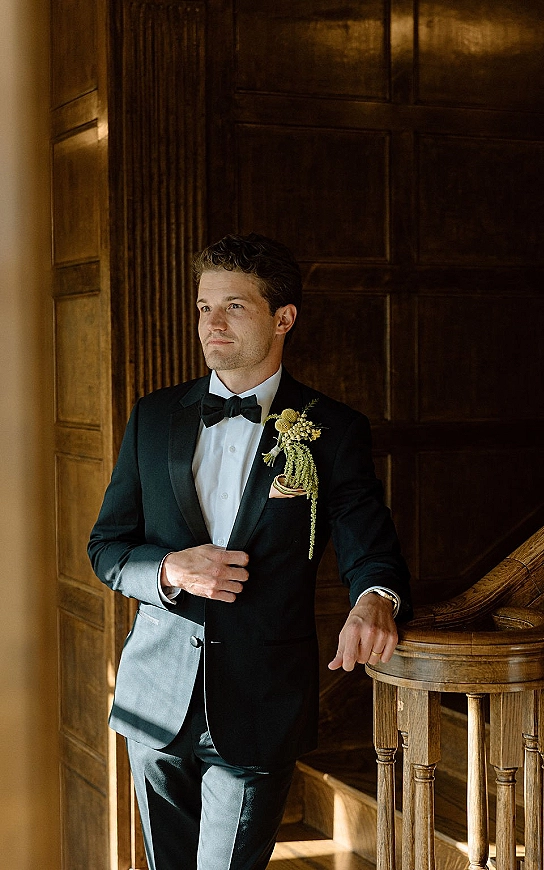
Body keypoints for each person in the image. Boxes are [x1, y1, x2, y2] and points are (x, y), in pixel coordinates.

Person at [88, 233, 412, 870]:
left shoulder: (332, 429)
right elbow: (106, 548)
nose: (212, 323)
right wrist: (169, 569)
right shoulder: (153, 418)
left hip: (261, 701)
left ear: (282, 319)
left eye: (234, 307)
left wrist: (375, 598)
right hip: (156, 700)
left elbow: (367, 540)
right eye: (205, 306)